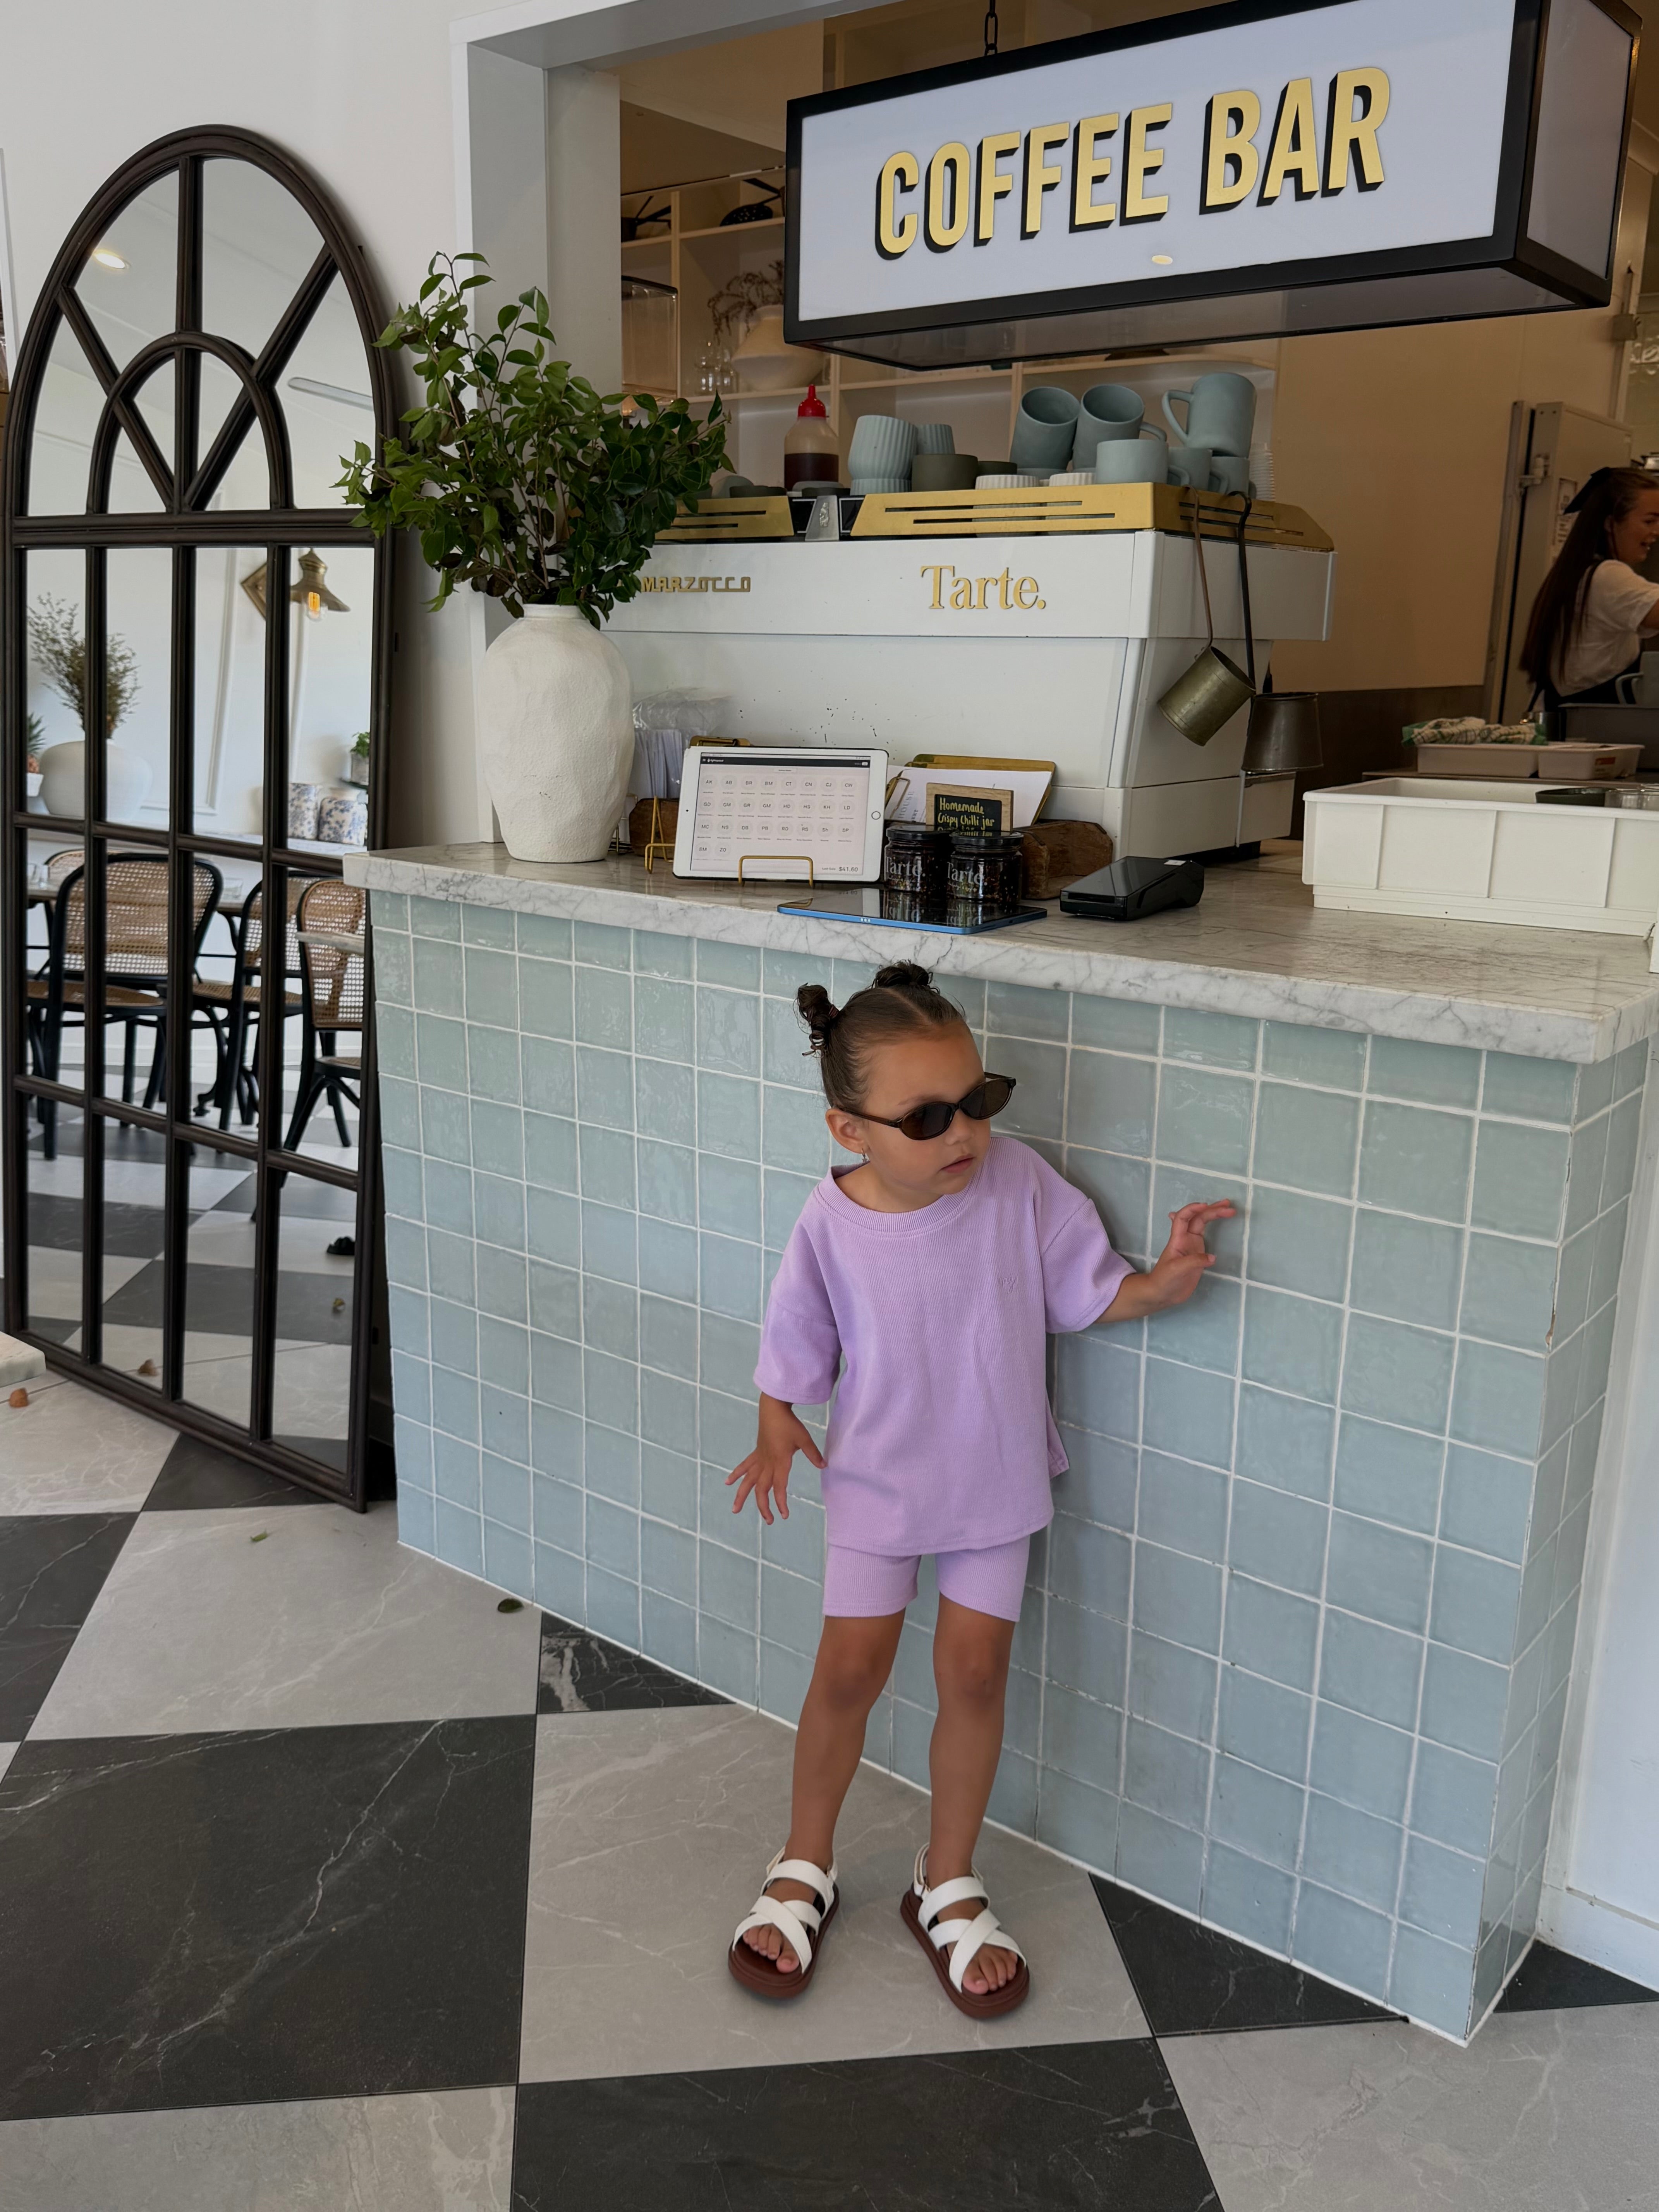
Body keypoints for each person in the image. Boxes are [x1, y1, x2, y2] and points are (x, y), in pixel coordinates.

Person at [725, 962, 1233, 2018]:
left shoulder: (1019, 1185)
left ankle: (946, 1879)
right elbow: (796, 1335)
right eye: (927, 1117)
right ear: (849, 1130)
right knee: (847, 1674)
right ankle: (803, 1861)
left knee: (975, 1675)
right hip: (877, 1483)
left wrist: (1161, 1283)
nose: (962, 1132)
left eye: (978, 1101)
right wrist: (776, 1422)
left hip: (994, 1480)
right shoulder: (830, 1222)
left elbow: (1086, 1289)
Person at [1521, 464, 1659, 708]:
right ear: (1610, 523)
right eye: (1649, 521)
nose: (1656, 532)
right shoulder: (1608, 576)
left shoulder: (1577, 572)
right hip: (1592, 725)